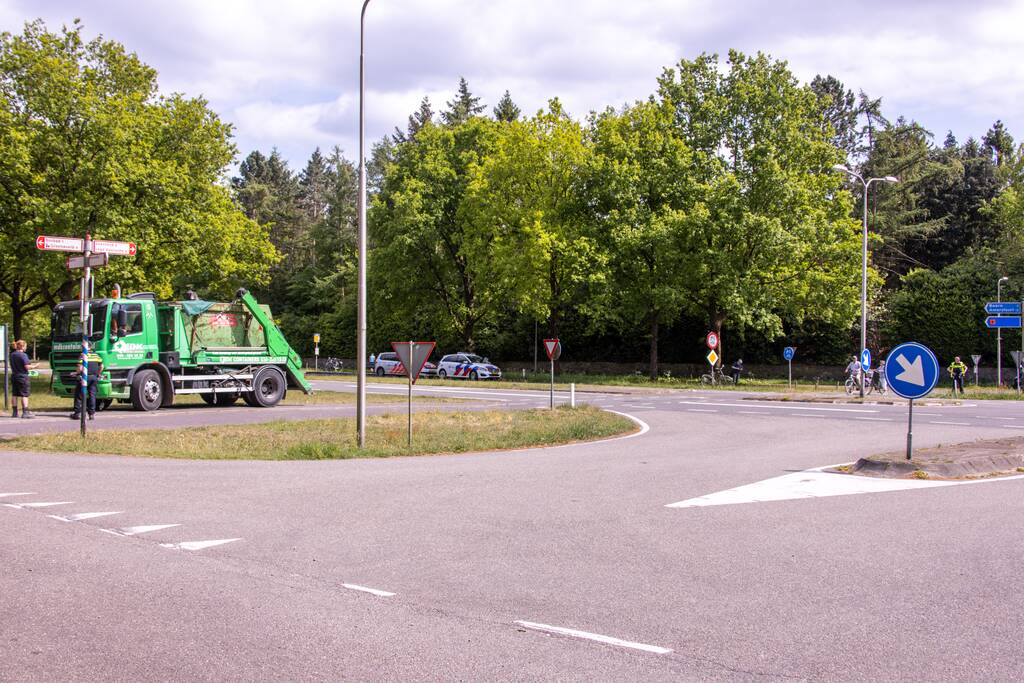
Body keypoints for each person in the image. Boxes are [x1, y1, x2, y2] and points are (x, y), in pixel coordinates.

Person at [71, 343, 103, 420]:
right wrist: (98, 374)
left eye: (82, 346)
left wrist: (75, 373)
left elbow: (80, 368)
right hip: (94, 378)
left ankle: (77, 413)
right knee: (92, 395)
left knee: (79, 395)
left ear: (84, 347)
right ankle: (91, 414)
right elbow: (102, 366)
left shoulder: (83, 355)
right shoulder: (96, 355)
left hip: (84, 378)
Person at [10, 339, 37, 418]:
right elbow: (27, 367)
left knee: (14, 394)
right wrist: (35, 366)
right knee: (24, 395)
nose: (26, 348)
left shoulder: (12, 354)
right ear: (22, 346)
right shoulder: (23, 355)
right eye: (25, 346)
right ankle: (25, 412)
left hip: (14, 375)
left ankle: (15, 412)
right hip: (22, 376)